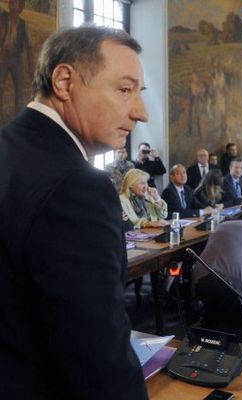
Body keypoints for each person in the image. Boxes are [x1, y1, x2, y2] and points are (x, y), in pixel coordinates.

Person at [0, 26, 148, 399]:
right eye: (125, 90)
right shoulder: (77, 186)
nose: (141, 112)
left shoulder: (10, 150)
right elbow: (98, 363)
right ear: (65, 82)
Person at [191, 204, 242, 339]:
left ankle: (213, 345)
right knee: (241, 323)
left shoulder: (221, 226)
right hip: (232, 282)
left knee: (214, 317)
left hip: (201, 278)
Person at [0, 0, 33, 119]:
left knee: (19, 87)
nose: (13, 7)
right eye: (12, 4)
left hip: (15, 58)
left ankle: (18, 115)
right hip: (2, 57)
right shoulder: (2, 18)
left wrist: (30, 66)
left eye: (16, 4)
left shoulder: (23, 25)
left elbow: (29, 45)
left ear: (20, 9)